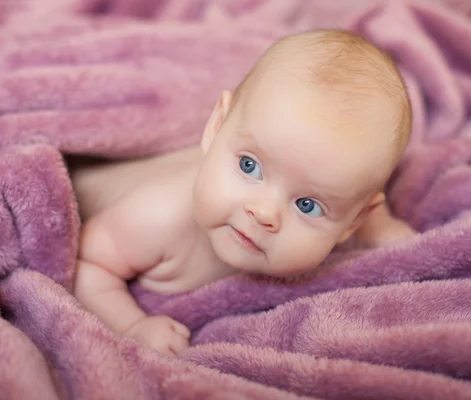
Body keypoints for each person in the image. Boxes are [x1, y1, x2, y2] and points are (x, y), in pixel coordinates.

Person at [70, 29, 416, 356]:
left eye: (307, 205)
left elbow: (349, 184)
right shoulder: (156, 217)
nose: (264, 213)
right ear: (216, 126)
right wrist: (132, 325)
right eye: (249, 167)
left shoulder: (335, 187)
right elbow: (88, 264)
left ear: (353, 222)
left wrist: (380, 227)